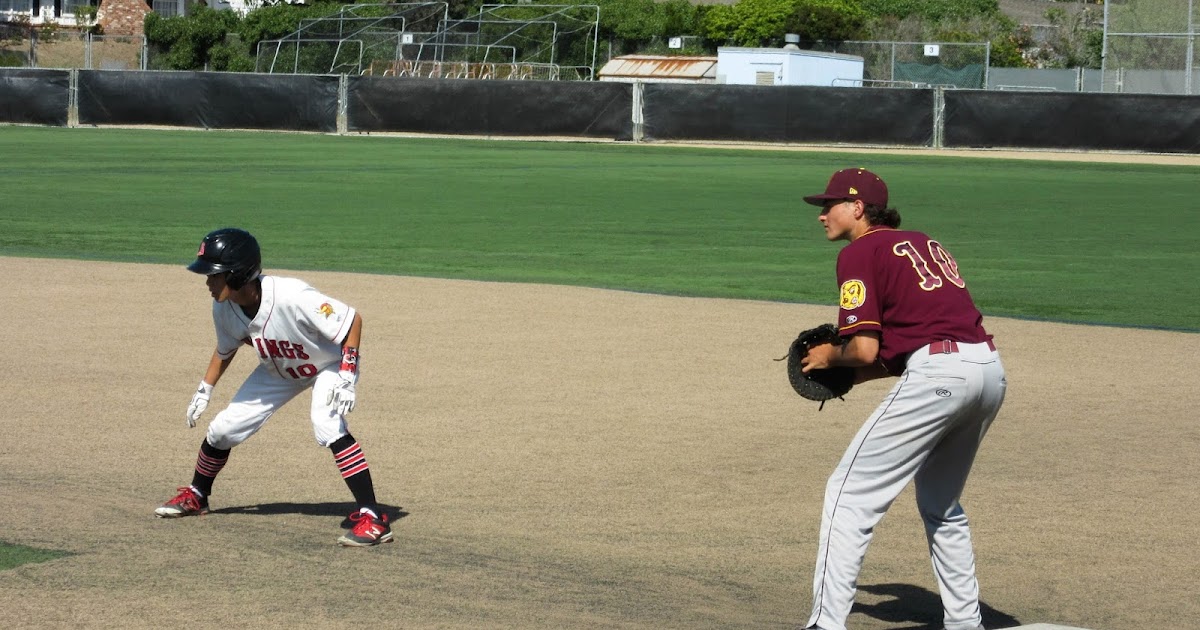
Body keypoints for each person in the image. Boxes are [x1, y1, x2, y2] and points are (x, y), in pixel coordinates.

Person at [798, 168, 1006, 630]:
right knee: (941, 505)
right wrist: (852, 377)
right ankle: (965, 623)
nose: (821, 215)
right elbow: (910, 344)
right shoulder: (922, 242)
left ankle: (824, 625)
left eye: (828, 205)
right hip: (988, 370)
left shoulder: (860, 250)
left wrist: (832, 355)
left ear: (857, 208)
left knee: (848, 496)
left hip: (940, 376)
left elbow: (866, 348)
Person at [155, 227, 392, 548]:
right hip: (279, 367)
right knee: (222, 430)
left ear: (238, 274)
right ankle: (198, 495)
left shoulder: (292, 296)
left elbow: (352, 321)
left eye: (214, 275)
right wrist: (205, 388)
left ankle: (373, 517)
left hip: (329, 364)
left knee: (327, 425)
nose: (208, 282)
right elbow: (225, 349)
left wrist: (348, 373)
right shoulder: (223, 308)